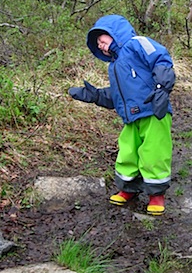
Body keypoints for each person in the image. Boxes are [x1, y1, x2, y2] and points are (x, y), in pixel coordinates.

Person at [69, 14, 175, 215]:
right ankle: (128, 189)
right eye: (98, 43)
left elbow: (161, 58)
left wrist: (162, 87)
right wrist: (96, 96)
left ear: (115, 33)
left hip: (154, 110)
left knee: (154, 152)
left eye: (103, 40)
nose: (100, 45)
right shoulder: (114, 65)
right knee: (127, 152)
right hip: (131, 117)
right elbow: (118, 96)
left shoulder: (137, 44)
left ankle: (156, 195)